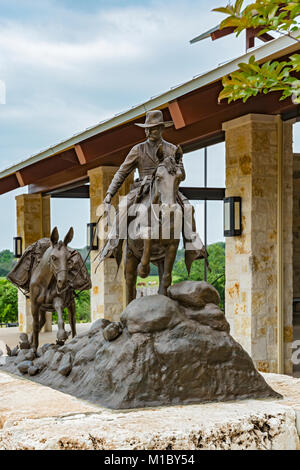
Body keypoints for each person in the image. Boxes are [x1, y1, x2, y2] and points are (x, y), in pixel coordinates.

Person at [99, 109, 208, 273]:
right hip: (143, 188)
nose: (149, 131)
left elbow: (182, 175)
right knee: (122, 207)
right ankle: (113, 243)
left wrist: (175, 171)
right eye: (147, 128)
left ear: (162, 129)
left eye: (154, 128)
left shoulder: (171, 149)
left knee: (187, 207)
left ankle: (193, 245)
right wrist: (109, 193)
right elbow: (122, 172)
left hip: (167, 187)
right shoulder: (138, 149)